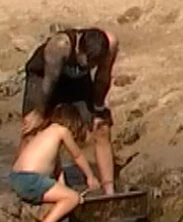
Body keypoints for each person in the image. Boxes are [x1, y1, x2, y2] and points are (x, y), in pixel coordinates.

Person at [20, 27, 117, 195]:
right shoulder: (59, 46)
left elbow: (102, 77)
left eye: (94, 64)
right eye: (89, 63)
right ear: (79, 49)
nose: (92, 66)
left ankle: (110, 190)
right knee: (33, 129)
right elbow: (48, 84)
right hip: (43, 77)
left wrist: (98, 108)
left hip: (77, 81)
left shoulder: (110, 44)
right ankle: (25, 180)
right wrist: (39, 113)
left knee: (101, 127)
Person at [10, 105, 98, 222]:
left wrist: (64, 191)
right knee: (73, 198)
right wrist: (90, 177)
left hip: (17, 178)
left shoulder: (45, 134)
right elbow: (77, 156)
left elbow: (58, 172)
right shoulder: (61, 131)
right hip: (31, 180)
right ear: (71, 125)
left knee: (68, 196)